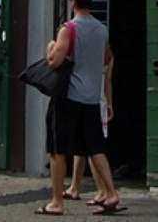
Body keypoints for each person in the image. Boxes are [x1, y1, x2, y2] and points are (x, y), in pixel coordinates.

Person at [36, 0, 125, 216]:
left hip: (70, 96)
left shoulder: (68, 28)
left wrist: (50, 46)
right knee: (96, 147)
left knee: (57, 149)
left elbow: (54, 61)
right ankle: (112, 193)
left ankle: (56, 202)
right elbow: (106, 58)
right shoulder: (102, 29)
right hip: (92, 97)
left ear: (72, 1)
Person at [62, 54, 114, 206]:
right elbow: (107, 81)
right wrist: (110, 103)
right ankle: (74, 187)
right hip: (98, 101)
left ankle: (102, 190)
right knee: (82, 145)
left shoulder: (83, 50)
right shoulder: (108, 54)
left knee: (92, 147)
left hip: (84, 101)